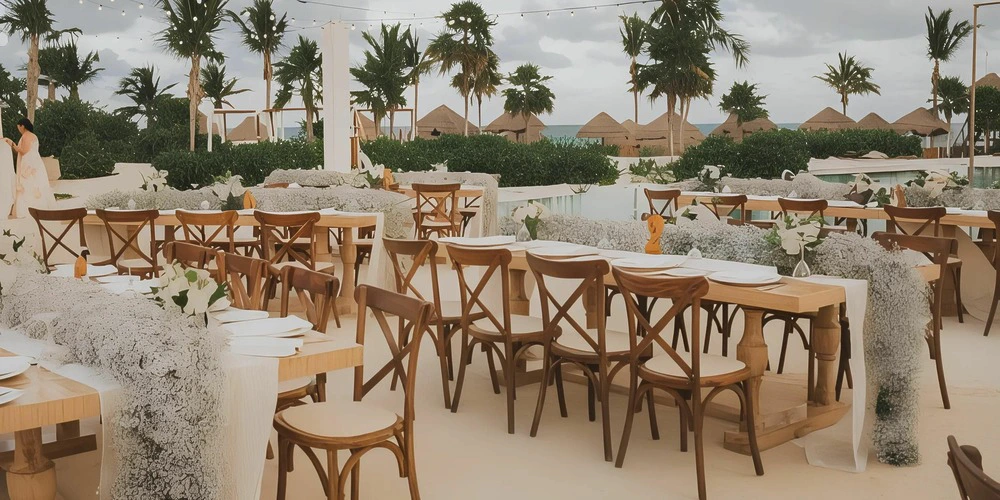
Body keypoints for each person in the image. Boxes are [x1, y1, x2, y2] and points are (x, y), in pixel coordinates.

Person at [4, 118, 55, 218]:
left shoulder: (27, 136)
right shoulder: (33, 136)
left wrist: (12, 143)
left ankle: (28, 210)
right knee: (35, 185)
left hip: (29, 164)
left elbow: (24, 150)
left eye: (18, 127)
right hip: (34, 163)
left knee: (29, 185)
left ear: (22, 126)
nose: (18, 129)